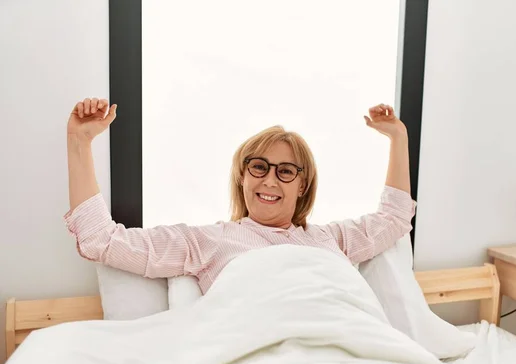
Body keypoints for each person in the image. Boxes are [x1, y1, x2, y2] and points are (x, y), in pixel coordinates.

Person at [65, 98, 416, 294]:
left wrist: (398, 139)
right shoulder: (209, 241)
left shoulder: (330, 239)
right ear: (243, 176)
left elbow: (394, 219)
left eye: (286, 171)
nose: (271, 181)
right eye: (259, 167)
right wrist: (79, 142)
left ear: (302, 186)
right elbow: (102, 240)